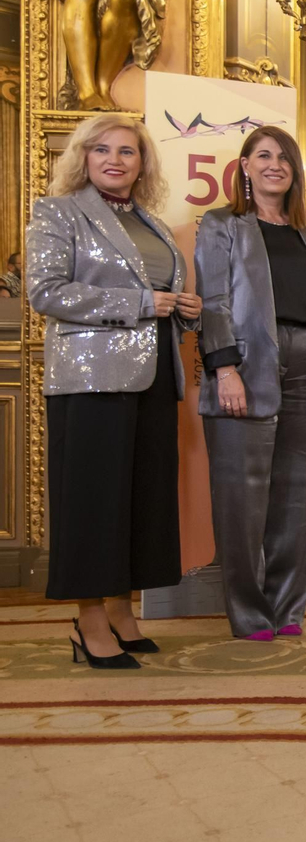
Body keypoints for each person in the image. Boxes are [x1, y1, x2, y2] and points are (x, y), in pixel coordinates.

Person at [27, 114, 201, 668]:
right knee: (94, 501)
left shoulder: (151, 221)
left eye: (127, 151)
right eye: (102, 149)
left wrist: (185, 310)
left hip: (154, 378)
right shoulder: (57, 211)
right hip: (90, 378)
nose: (115, 160)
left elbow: (160, 296)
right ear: (83, 156)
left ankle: (123, 611)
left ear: (142, 163)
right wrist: (141, 304)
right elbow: (46, 292)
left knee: (141, 498)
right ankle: (89, 620)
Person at [196, 126, 306, 641]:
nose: (274, 165)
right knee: (242, 500)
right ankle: (250, 613)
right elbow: (213, 301)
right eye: (263, 156)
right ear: (245, 167)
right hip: (246, 365)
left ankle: (287, 609)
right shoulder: (222, 224)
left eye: (284, 157)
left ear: (296, 170)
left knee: (298, 500)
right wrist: (225, 369)